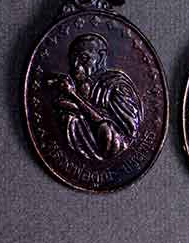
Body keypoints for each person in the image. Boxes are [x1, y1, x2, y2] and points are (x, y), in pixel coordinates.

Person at [52, 33, 142, 161]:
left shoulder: (116, 86)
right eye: (73, 59)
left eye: (84, 58)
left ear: (101, 57)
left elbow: (126, 132)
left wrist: (72, 94)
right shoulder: (82, 85)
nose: (76, 65)